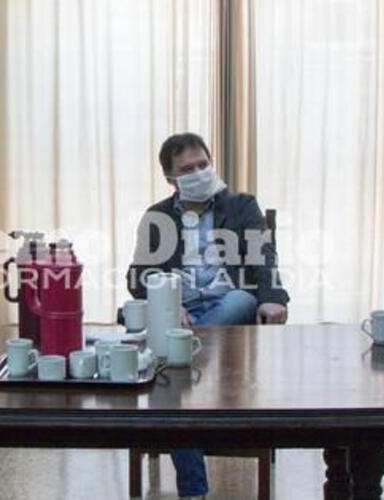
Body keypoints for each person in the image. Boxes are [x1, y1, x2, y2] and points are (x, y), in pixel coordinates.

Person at [127, 133, 290, 500]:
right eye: (188, 169)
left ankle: (183, 354)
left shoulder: (241, 206)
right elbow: (137, 277)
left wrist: (272, 299)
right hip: (180, 312)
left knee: (238, 302)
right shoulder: (157, 216)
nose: (199, 172)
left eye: (203, 164)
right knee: (174, 389)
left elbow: (265, 258)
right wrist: (168, 306)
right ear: (170, 179)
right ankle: (194, 491)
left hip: (229, 306)